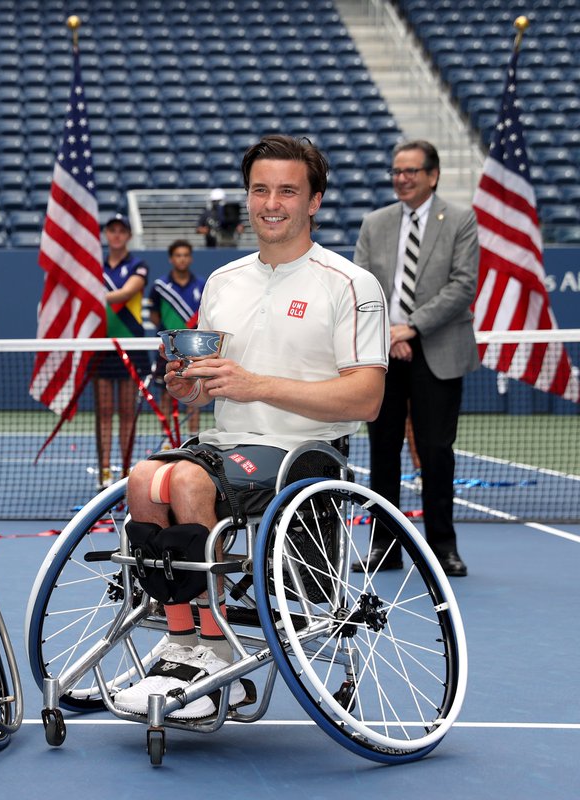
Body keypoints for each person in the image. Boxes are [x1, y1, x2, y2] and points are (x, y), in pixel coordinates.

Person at [114, 135, 388, 720]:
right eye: (260, 190)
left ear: (314, 200)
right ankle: (182, 643)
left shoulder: (351, 284)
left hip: (303, 451)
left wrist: (256, 384)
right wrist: (188, 386)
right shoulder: (223, 281)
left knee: (186, 482)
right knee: (142, 480)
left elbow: (367, 397)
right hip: (223, 446)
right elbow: (208, 385)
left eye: (287, 190)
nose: (271, 203)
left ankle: (218, 660)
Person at [351, 140, 479, 578]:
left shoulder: (460, 220)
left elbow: (462, 285)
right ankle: (383, 548)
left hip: (437, 351)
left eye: (410, 171)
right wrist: (390, 332)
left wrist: (412, 327)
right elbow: (362, 285)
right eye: (396, 171)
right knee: (383, 452)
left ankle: (443, 548)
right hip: (384, 351)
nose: (401, 178)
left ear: (432, 175)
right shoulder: (375, 222)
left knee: (436, 452)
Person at [91, 213, 151, 488]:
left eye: (121, 231)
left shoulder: (138, 266)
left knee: (127, 412)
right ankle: (104, 472)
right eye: (111, 230)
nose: (116, 235)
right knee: (103, 412)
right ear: (106, 235)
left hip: (131, 345)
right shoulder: (93, 268)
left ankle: (125, 473)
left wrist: (91, 296)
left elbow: (127, 293)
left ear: (128, 235)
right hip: (101, 345)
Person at [149, 239, 205, 441]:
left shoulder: (202, 285)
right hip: (168, 348)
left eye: (185, 255)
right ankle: (167, 438)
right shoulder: (160, 287)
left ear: (190, 258)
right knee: (166, 391)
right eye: (178, 255)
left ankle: (192, 438)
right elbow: (154, 316)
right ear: (171, 259)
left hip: (193, 347)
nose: (182, 259)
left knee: (194, 391)